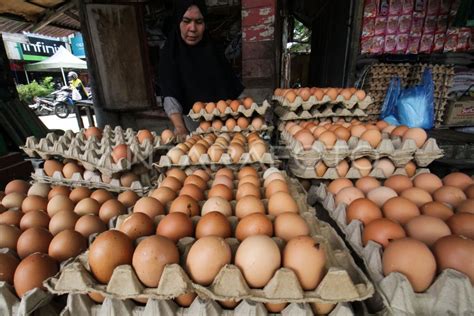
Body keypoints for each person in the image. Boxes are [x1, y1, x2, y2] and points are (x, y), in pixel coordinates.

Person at [158, 0, 244, 139]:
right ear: (178, 22)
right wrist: (180, 127)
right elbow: (170, 93)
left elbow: (231, 87)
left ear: (205, 24)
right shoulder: (170, 54)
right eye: (186, 21)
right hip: (192, 127)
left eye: (199, 22)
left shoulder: (213, 51)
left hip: (225, 125)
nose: (192, 28)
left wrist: (245, 110)